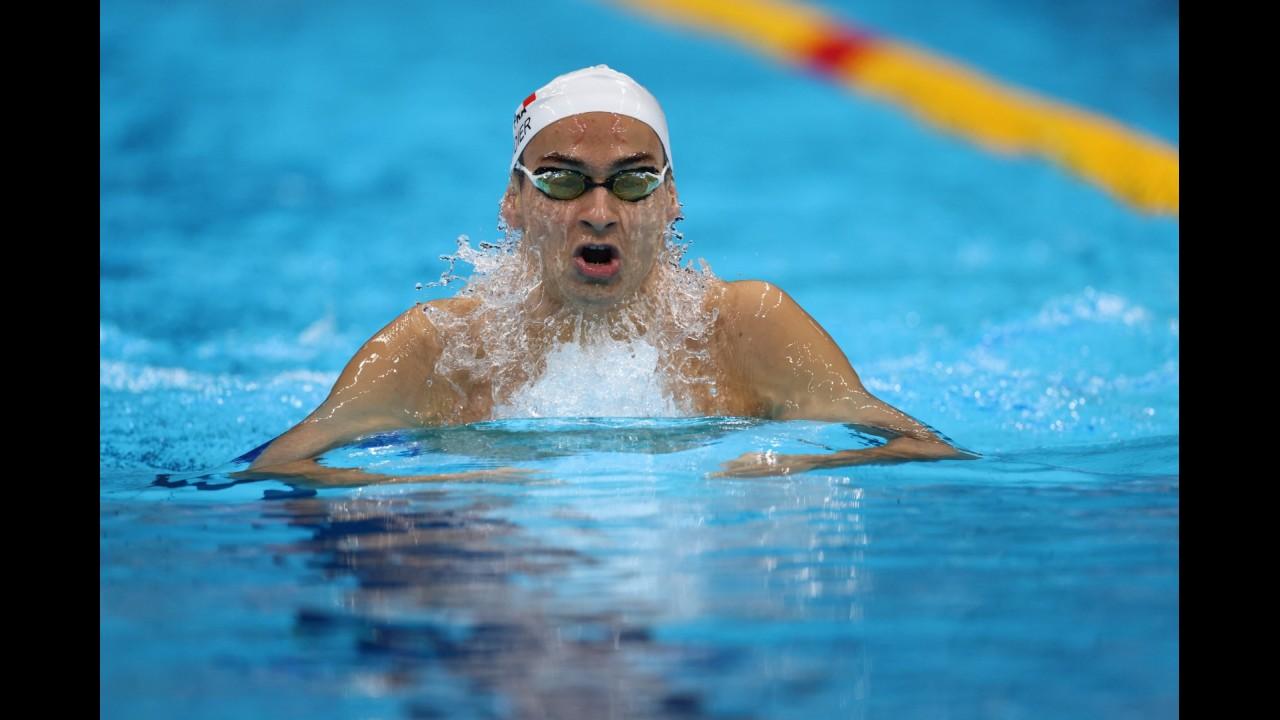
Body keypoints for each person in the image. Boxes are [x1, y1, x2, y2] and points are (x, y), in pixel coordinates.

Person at [240, 65, 974, 485]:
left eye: (631, 182)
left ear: (670, 200)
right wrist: (443, 490)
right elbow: (277, 468)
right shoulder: (436, 349)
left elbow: (928, 448)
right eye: (562, 182)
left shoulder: (747, 327)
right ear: (514, 202)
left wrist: (793, 469)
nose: (599, 212)